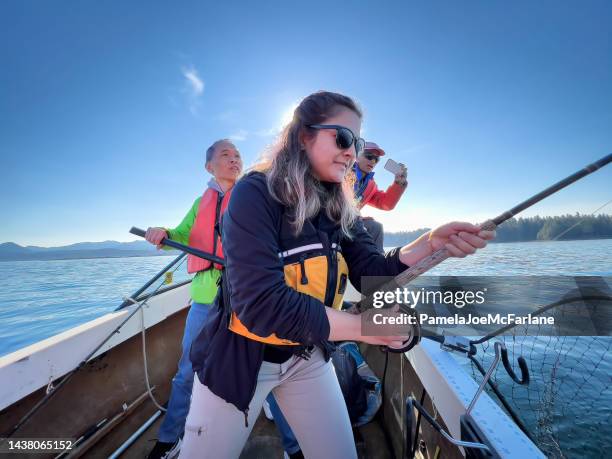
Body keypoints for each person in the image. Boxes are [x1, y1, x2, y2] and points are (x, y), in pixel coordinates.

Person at [181, 91, 494, 459]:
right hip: (241, 357)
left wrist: (428, 245)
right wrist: (369, 327)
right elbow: (261, 304)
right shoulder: (254, 194)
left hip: (306, 354)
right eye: (343, 138)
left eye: (356, 142)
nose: (352, 151)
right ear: (303, 136)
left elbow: (372, 272)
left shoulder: (338, 206)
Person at [145, 139, 242, 459]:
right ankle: (170, 437)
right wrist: (164, 234)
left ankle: (294, 444)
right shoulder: (201, 202)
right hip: (204, 297)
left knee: (263, 365)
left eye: (238, 155)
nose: (234, 159)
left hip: (246, 296)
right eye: (225, 155)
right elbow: (180, 235)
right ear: (209, 167)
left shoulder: (255, 195)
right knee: (186, 371)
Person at [353, 141, 408, 251]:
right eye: (369, 156)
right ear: (356, 155)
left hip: (351, 222)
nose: (373, 161)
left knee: (375, 226)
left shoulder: (370, 185)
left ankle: (377, 261)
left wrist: (398, 183)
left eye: (376, 159)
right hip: (331, 219)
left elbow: (386, 204)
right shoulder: (342, 170)